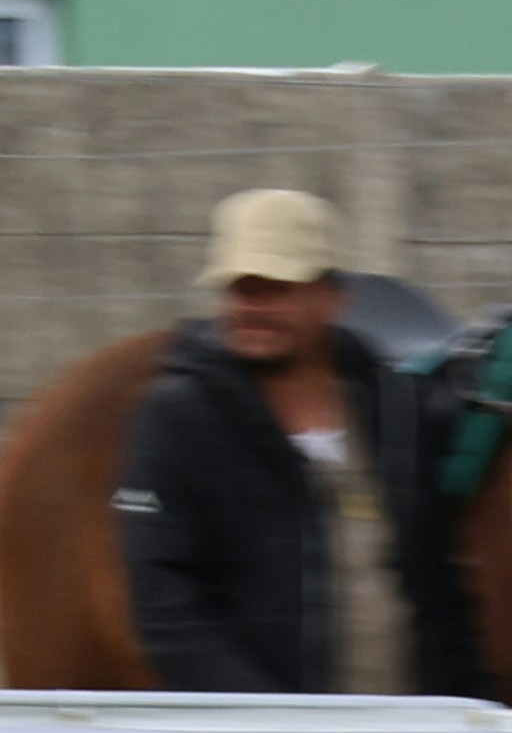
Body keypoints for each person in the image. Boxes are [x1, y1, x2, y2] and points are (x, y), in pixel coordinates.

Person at [112, 187, 487, 697]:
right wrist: (272, 729)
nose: (253, 306)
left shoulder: (401, 410)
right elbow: (164, 606)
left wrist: (472, 717)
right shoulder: (178, 417)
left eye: (275, 287)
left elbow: (438, 591)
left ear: (333, 297)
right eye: (241, 287)